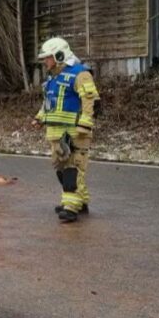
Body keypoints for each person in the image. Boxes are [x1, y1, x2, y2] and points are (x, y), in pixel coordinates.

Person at [32, 37, 100, 223]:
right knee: (61, 167)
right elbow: (49, 103)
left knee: (73, 168)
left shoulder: (80, 74)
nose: (45, 61)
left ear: (59, 56)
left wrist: (85, 123)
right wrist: (39, 118)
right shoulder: (52, 79)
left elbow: (90, 99)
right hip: (56, 133)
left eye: (47, 57)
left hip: (75, 133)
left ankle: (71, 207)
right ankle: (80, 201)